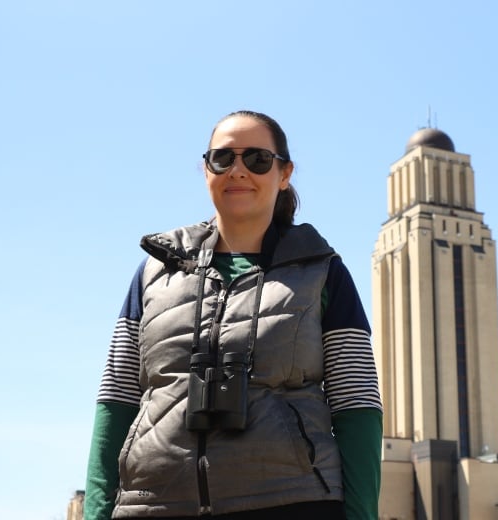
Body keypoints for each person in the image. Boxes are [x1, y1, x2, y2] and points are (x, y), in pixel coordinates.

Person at [84, 110, 383, 520]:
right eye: (223, 158)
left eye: (257, 159)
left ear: (284, 173)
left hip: (290, 502)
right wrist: (97, 512)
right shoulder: (153, 271)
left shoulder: (323, 272)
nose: (238, 170)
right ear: (206, 170)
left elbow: (356, 402)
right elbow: (116, 398)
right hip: (153, 503)